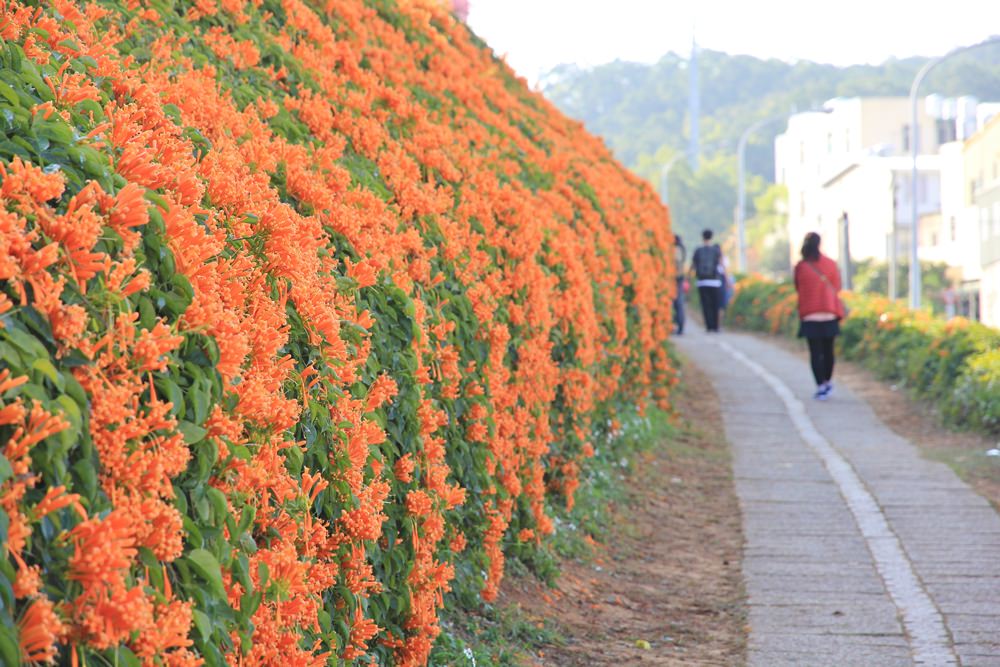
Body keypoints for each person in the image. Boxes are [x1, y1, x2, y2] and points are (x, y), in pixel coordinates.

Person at [793, 232, 845, 400]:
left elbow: (798, 288)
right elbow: (837, 287)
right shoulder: (831, 264)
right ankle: (828, 382)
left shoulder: (801, 267)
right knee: (828, 351)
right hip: (829, 312)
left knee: (815, 353)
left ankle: (820, 385)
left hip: (810, 315)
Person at [690, 229, 724, 332]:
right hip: (715, 282)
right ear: (711, 237)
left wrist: (688, 278)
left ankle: (709, 326)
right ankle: (715, 326)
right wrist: (726, 279)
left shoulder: (698, 250)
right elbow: (721, 265)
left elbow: (693, 266)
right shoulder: (716, 250)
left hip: (702, 281)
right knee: (715, 304)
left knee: (706, 305)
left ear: (702, 237)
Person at [673, 235, 687, 334]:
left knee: (678, 303)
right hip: (679, 278)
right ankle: (679, 325)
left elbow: (677, 264)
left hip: (676, 279)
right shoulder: (681, 249)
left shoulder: (677, 249)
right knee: (679, 303)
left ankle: (679, 326)